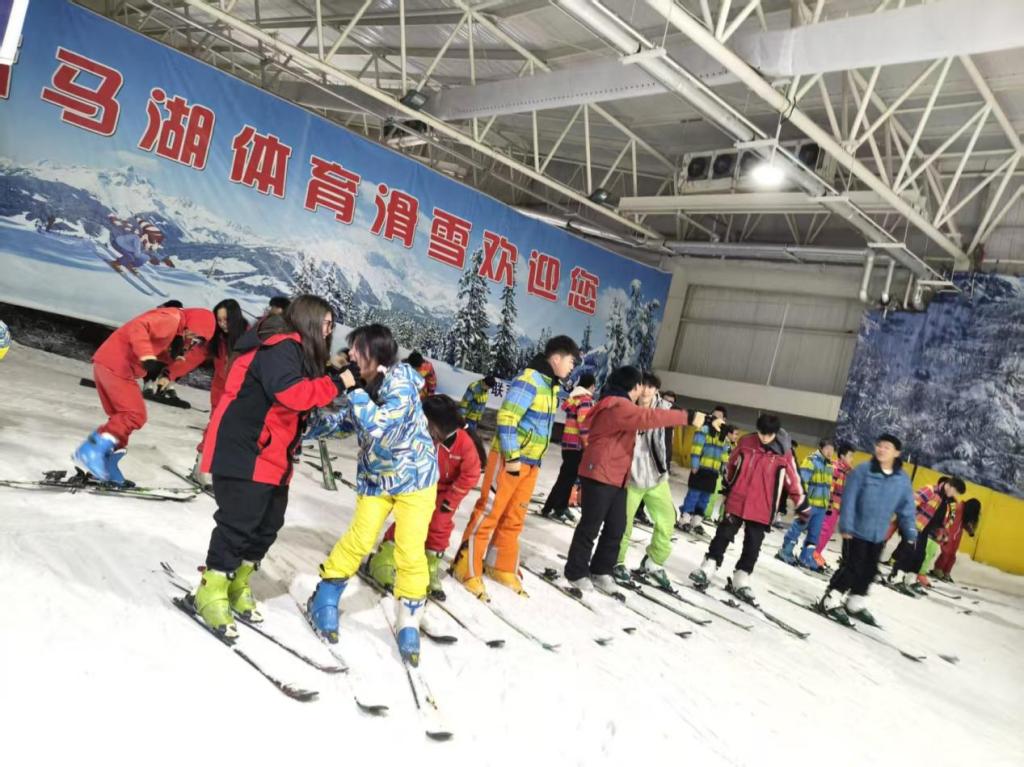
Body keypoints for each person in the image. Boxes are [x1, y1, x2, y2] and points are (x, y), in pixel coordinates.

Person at [189, 296, 344, 639]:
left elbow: (301, 395)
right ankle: (211, 589)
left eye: (331, 326)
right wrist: (338, 383)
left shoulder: (295, 350)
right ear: (308, 320)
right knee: (238, 525)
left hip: (273, 455)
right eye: (325, 323)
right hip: (247, 450)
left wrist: (333, 376)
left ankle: (236, 583)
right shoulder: (280, 345)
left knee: (267, 525)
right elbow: (292, 393)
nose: (328, 331)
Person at [307, 324, 438, 666]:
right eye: (350, 348)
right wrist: (305, 424)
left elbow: (379, 425)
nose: (350, 354)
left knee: (409, 549)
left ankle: (409, 618)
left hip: (415, 478)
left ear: (376, 352)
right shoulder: (365, 384)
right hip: (377, 480)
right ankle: (326, 594)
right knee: (360, 538)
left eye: (357, 348)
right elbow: (349, 422)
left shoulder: (402, 381)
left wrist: (351, 388)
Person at [451, 335, 580, 600]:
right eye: (571, 361)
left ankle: (500, 565)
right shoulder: (529, 381)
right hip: (509, 459)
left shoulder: (551, 386)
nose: (572, 367)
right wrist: (511, 457)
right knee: (489, 513)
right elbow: (508, 417)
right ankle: (466, 566)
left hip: (531, 464)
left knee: (514, 516)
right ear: (557, 358)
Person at [563, 366, 699, 594]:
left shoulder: (619, 404)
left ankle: (601, 570)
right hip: (600, 474)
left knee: (617, 527)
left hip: (618, 478)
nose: (643, 390)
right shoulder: (618, 405)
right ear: (634, 386)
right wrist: (688, 417)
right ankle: (576, 572)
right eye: (641, 385)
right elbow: (648, 417)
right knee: (590, 527)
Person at [72, 305, 216, 485]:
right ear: (194, 323)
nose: (193, 338)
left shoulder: (175, 326)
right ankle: (92, 452)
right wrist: (146, 355)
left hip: (110, 364)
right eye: (196, 333)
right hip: (117, 366)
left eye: (198, 338)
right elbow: (138, 328)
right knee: (134, 415)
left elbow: (152, 342)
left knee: (121, 419)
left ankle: (105, 465)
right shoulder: (171, 319)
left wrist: (169, 356)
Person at [368, 395, 485, 600]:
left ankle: (430, 566)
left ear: (439, 424)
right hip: (422, 484)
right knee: (409, 519)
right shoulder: (422, 435)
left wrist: (451, 500)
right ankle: (385, 557)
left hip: (447, 491)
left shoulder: (465, 444)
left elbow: (471, 474)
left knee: (440, 525)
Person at [689, 413, 808, 606]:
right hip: (738, 499)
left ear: (775, 433)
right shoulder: (746, 442)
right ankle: (709, 565)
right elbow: (731, 464)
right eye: (761, 433)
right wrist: (728, 484)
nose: (764, 438)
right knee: (723, 534)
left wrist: (801, 504)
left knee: (753, 544)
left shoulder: (784, 453)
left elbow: (793, 479)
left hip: (763, 506)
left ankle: (742, 576)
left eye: (769, 435)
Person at [819, 434, 916, 625]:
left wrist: (910, 533)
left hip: (878, 534)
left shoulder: (901, 479)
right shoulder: (863, 471)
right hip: (856, 530)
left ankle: (855, 602)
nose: (881, 449)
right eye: (879, 445)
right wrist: (846, 526)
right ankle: (831, 598)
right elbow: (849, 499)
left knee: (870, 570)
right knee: (852, 567)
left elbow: (907, 508)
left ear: (896, 453)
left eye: (887, 447)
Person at [159, 299, 250, 486]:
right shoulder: (215, 337)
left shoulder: (250, 338)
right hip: (221, 390)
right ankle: (201, 467)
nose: (223, 324)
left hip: (244, 393)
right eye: (219, 320)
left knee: (235, 433)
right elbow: (193, 356)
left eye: (226, 320)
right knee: (216, 427)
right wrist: (170, 374)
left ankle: (223, 470)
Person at [613, 373, 683, 590]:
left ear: (656, 391)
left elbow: (687, 416)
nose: (646, 391)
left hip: (655, 476)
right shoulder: (626, 406)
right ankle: (617, 561)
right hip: (631, 476)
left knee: (667, 519)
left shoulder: (664, 409)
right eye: (643, 386)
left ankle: (654, 561)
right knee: (623, 523)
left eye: (651, 388)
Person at [889, 476, 966, 595]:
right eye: (955, 491)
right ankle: (896, 577)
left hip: (925, 530)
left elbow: (943, 519)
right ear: (949, 486)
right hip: (913, 525)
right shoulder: (930, 490)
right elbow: (911, 503)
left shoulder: (947, 500)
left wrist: (942, 531)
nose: (954, 494)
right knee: (910, 552)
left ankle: (909, 580)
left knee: (920, 555)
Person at [540, 372, 597, 523]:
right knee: (567, 478)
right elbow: (584, 425)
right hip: (577, 445)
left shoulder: (574, 398)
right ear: (592, 386)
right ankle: (554, 507)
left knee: (566, 477)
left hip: (568, 444)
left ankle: (556, 507)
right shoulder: (585, 400)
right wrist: (587, 445)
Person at [776, 438, 836, 570]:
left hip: (821, 507)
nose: (830, 452)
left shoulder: (830, 466)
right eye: (827, 449)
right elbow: (802, 483)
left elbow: (828, 487)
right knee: (798, 527)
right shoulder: (811, 461)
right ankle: (786, 551)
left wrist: (828, 503)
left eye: (832, 450)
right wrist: (802, 502)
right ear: (821, 448)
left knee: (815, 533)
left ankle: (806, 557)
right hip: (809, 504)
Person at [677, 405, 730, 535]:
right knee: (693, 495)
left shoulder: (724, 437)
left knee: (705, 498)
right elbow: (696, 448)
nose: (716, 418)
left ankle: (696, 521)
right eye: (714, 416)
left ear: (724, 420)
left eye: (719, 417)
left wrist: (724, 470)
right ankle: (684, 519)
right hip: (700, 469)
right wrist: (694, 465)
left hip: (713, 472)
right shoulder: (704, 429)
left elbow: (725, 456)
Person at [812, 442, 855, 570]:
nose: (852, 459)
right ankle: (813, 553)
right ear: (842, 456)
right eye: (850, 456)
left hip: (837, 506)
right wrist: (829, 506)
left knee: (829, 531)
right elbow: (829, 488)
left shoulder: (846, 471)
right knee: (824, 530)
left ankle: (817, 552)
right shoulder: (835, 468)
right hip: (830, 506)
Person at [932, 498, 981, 582]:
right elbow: (947, 518)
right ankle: (938, 569)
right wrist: (943, 531)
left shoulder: (965, 512)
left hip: (956, 536)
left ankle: (946, 571)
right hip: (949, 533)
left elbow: (965, 524)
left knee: (952, 555)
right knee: (946, 553)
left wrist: (970, 531)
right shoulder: (958, 508)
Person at [703, 425, 739, 524]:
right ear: (729, 434)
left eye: (737, 435)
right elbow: (723, 457)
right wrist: (730, 460)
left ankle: (721, 518)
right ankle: (706, 514)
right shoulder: (724, 443)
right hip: (720, 473)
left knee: (725, 498)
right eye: (735, 434)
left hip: (728, 476)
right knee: (714, 495)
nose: (736, 436)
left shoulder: (734, 445)